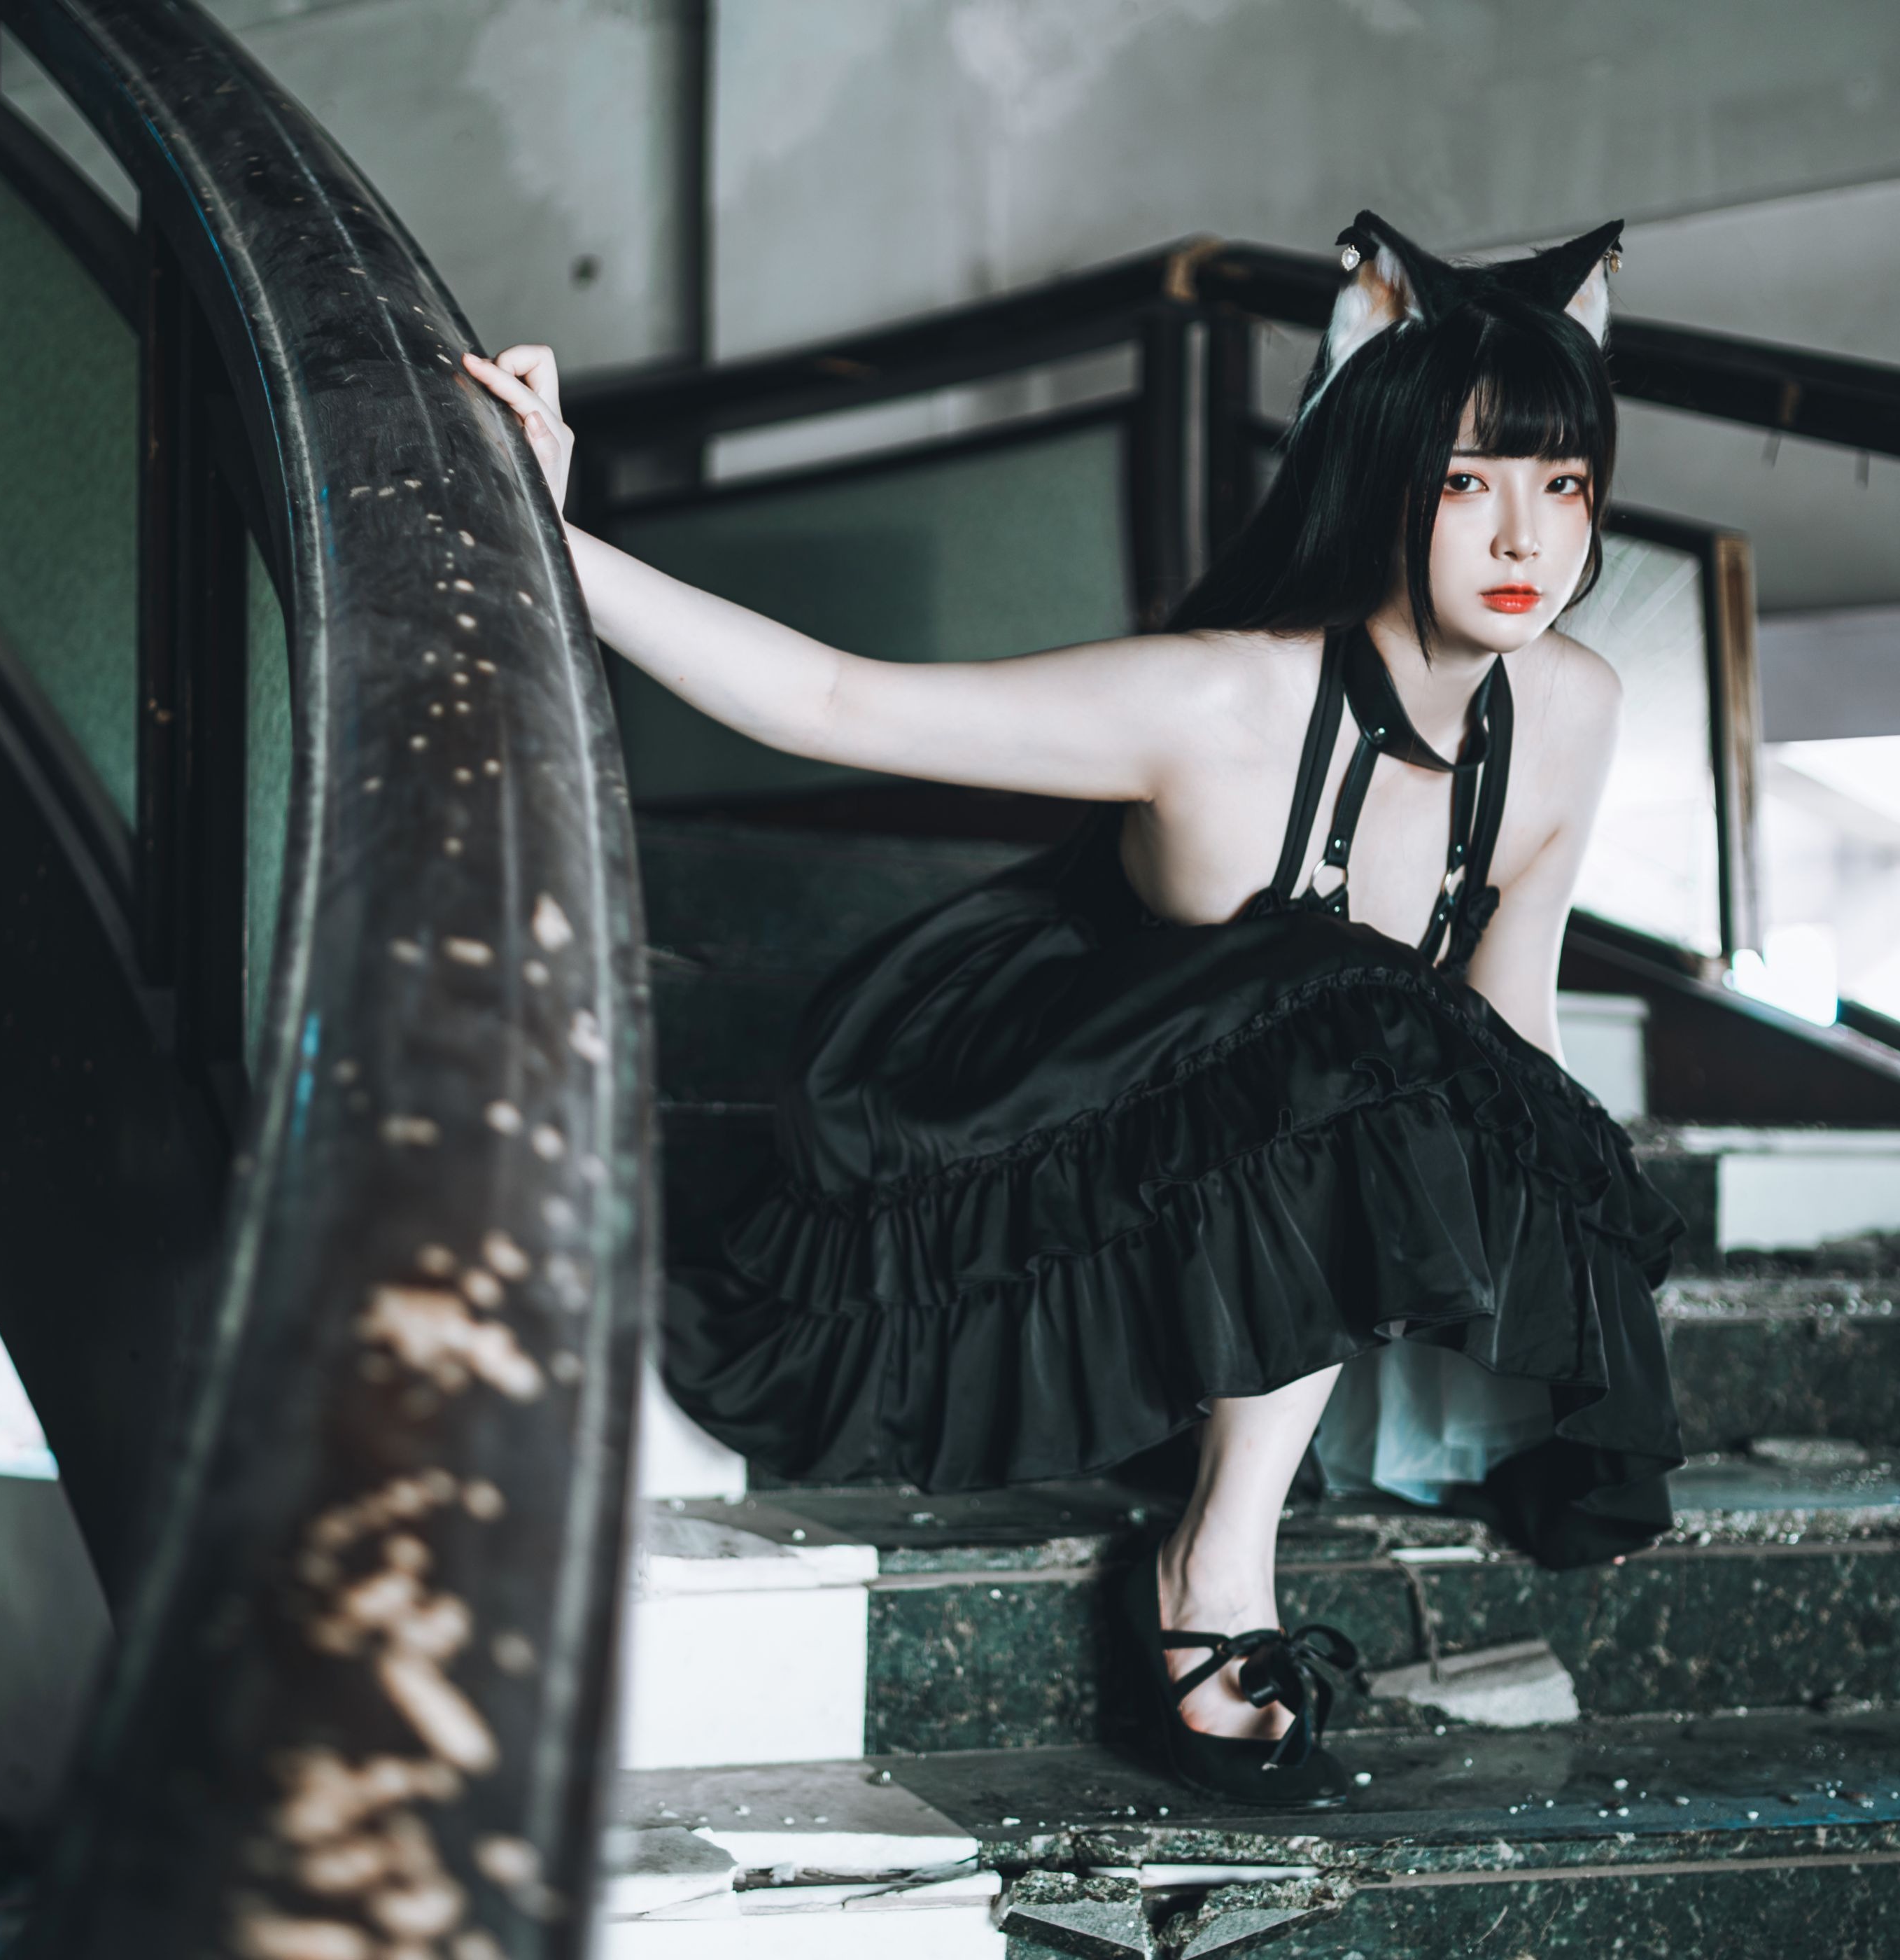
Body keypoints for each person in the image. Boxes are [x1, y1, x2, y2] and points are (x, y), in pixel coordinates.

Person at [464, 212, 1683, 1809]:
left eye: (1563, 484)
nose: (1526, 536)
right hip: (1019, 1120)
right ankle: (1210, 1566)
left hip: (1241, 1164)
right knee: (1365, 1016)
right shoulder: (1226, 694)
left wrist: (1571, 1322)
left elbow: (1506, 1017)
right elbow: (835, 701)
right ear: (1377, 471)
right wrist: (551, 527)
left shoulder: (1573, 707)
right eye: (1467, 483)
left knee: (1440, 1060)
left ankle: (1224, 1489)